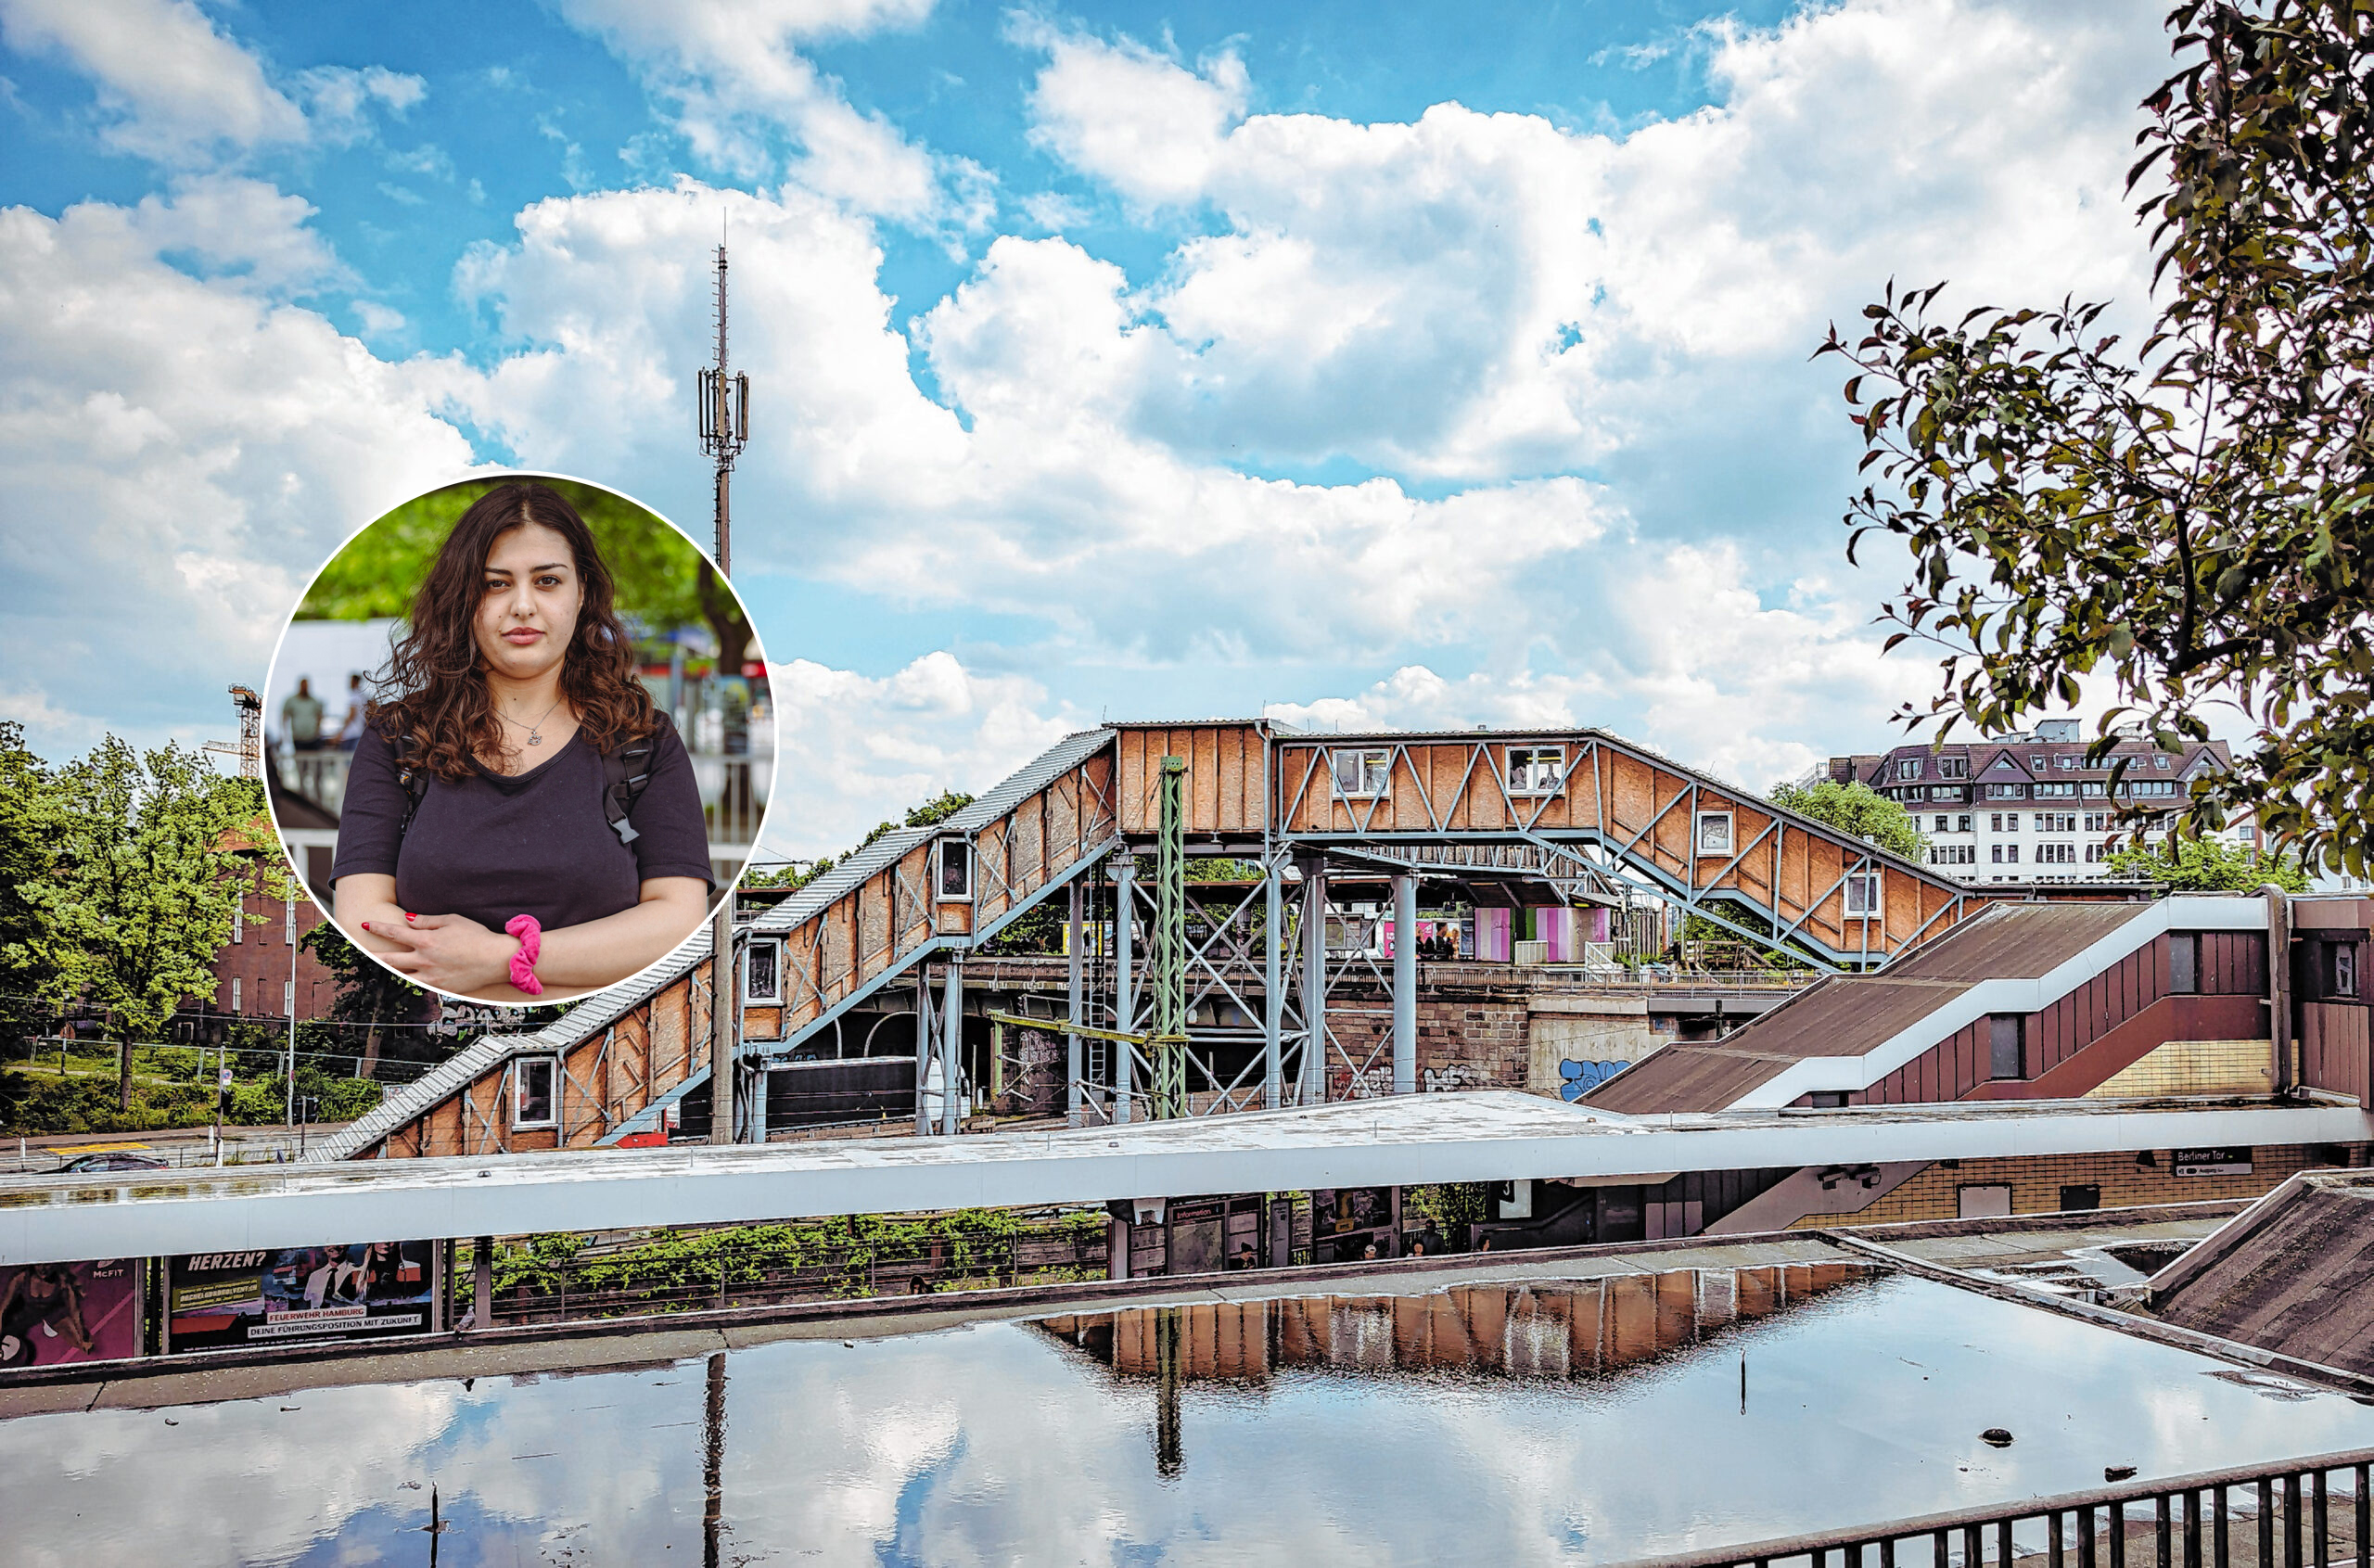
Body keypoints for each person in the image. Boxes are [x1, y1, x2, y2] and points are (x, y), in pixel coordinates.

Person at [332, 482, 716, 1001]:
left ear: (582, 593)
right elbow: (363, 918)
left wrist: (500, 959)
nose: (523, 606)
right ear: (462, 599)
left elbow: (677, 920)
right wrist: (582, 960)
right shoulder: (399, 738)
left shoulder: (642, 739)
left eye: (548, 581)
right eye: (495, 584)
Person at [0, 1264, 94, 1365]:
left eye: (47, 1265)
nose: (43, 1269)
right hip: (26, 1314)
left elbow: (75, 1312)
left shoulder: (63, 1282)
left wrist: (82, 1338)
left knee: (80, 1343)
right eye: (39, 1265)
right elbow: (3, 1308)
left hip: (52, 1313)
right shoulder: (21, 1278)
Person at [281, 677, 325, 751]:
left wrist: (318, 730)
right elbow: (285, 717)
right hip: (298, 738)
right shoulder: (291, 701)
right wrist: (285, 733)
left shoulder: (314, 702)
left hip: (312, 738)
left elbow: (320, 716)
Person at [334, 672, 368, 752]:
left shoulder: (354, 697)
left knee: (348, 760)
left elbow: (351, 716)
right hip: (360, 732)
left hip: (352, 734)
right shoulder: (363, 697)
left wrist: (341, 732)